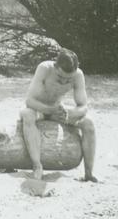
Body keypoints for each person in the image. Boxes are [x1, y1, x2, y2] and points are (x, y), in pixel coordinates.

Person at [20, 48, 97, 182]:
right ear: (55, 66)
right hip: (39, 109)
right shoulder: (44, 68)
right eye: (60, 77)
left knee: (88, 123)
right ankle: (37, 166)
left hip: (57, 111)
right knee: (27, 115)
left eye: (68, 79)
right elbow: (30, 101)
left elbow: (83, 106)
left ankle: (89, 173)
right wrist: (49, 110)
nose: (63, 82)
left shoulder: (78, 75)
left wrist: (70, 113)